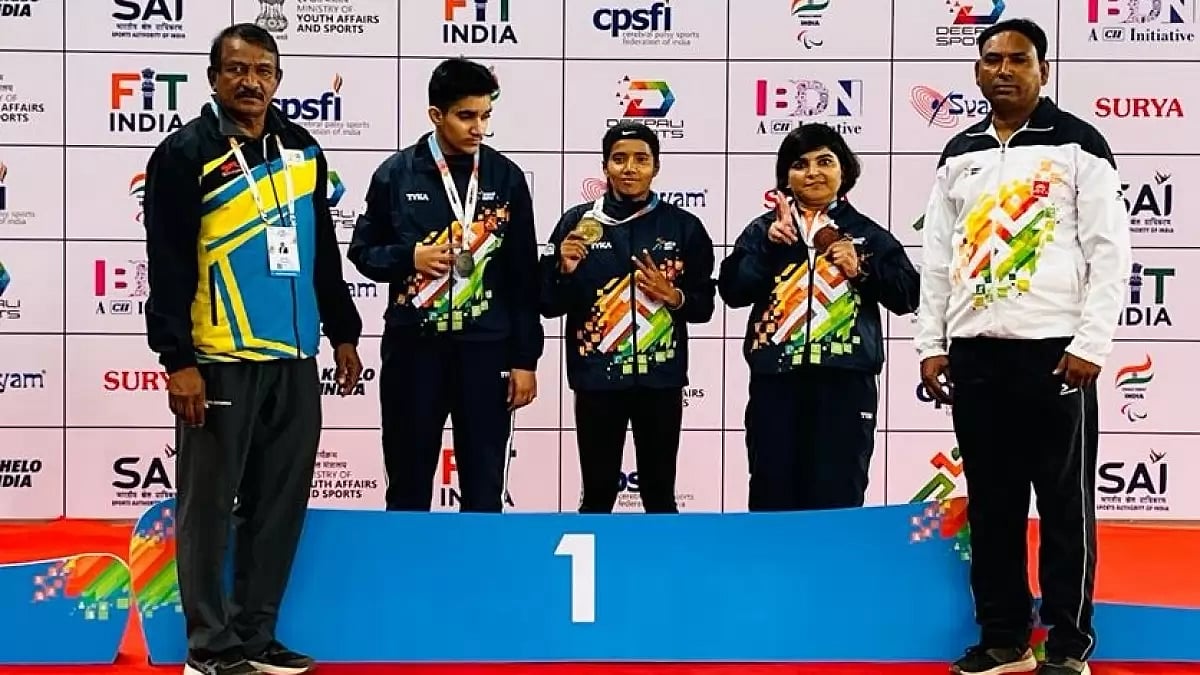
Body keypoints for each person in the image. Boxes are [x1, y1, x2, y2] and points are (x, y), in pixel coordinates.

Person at [142, 23, 363, 675]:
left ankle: (255, 635)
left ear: (278, 79)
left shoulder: (301, 148)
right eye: (236, 69)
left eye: (263, 70)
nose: (250, 81)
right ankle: (208, 646)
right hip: (219, 356)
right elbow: (169, 263)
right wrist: (176, 357)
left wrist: (344, 330)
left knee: (277, 503)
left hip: (294, 358)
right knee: (208, 507)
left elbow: (320, 249)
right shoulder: (185, 154)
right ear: (213, 78)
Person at [915, 18, 1131, 675]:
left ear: (1043, 70)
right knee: (993, 503)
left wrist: (1091, 341)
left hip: (1056, 352)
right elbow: (936, 259)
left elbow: (1109, 251)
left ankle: (1068, 645)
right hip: (977, 353)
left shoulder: (1078, 144)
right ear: (976, 72)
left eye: (1018, 59)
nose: (1003, 70)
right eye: (991, 60)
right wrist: (932, 341)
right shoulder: (960, 152)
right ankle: (1004, 638)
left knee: (1065, 505)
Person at [348, 58, 541, 512]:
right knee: (409, 481)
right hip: (415, 351)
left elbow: (522, 276)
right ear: (436, 115)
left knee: (483, 483)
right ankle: (407, 580)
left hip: (486, 349)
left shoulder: (505, 177)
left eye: (486, 115)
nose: (479, 128)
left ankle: (483, 580)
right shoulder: (395, 175)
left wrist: (524, 359)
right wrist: (407, 257)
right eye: (467, 116)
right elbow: (362, 252)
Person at [718, 123, 919, 512]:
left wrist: (861, 270)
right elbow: (731, 291)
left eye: (824, 161)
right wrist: (768, 251)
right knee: (771, 496)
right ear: (786, 178)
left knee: (838, 499)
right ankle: (772, 575)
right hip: (775, 382)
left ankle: (834, 575)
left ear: (843, 171)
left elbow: (908, 294)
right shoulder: (764, 231)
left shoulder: (865, 233)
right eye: (800, 164)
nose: (813, 172)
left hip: (845, 383)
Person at [540, 121, 716, 513]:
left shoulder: (684, 227)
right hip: (596, 380)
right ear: (605, 167)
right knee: (598, 493)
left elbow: (704, 306)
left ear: (656, 167)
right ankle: (596, 574)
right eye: (619, 159)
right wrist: (564, 270)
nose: (630, 168)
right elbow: (548, 303)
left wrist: (674, 296)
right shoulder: (577, 224)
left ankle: (663, 575)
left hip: (661, 381)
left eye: (641, 159)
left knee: (659, 494)